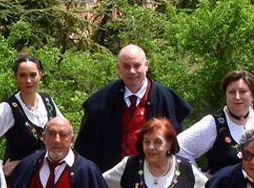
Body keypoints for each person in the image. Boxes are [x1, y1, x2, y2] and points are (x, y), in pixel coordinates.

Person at [75, 43, 192, 174]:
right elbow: (83, 149)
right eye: (126, 66)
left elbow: (179, 146)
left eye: (137, 66)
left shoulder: (166, 99)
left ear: (146, 65)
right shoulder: (100, 101)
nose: (132, 71)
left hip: (156, 179)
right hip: (109, 180)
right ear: (118, 68)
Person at [177, 70, 254, 175]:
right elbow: (178, 148)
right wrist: (202, 182)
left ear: (252, 95)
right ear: (226, 95)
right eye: (231, 92)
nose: (237, 97)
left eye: (243, 91)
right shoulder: (214, 124)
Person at [0, 53, 63, 176]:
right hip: (20, 181)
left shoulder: (48, 102)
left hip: (49, 177)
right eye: (23, 75)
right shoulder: (8, 108)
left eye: (33, 75)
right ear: (16, 77)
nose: (28, 80)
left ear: (41, 75)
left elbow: (65, 133)